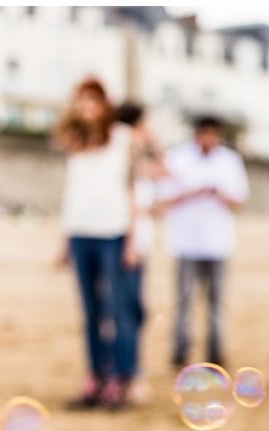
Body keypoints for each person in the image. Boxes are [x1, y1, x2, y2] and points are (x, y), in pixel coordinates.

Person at [54, 77, 138, 410]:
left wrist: (132, 240)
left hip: (113, 233)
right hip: (80, 233)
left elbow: (132, 189)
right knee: (89, 312)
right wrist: (64, 240)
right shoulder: (74, 142)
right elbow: (72, 194)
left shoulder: (122, 138)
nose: (84, 107)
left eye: (91, 101)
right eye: (80, 101)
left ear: (104, 104)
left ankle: (119, 379)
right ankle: (95, 377)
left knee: (116, 310)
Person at [156, 115, 248, 370]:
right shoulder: (177, 158)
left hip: (218, 243)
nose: (209, 138)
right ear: (197, 134)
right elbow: (162, 200)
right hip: (185, 242)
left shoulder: (230, 161)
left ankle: (215, 353)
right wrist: (192, 193)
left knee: (216, 303)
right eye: (204, 133)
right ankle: (180, 353)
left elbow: (240, 201)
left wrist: (220, 194)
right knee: (183, 302)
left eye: (213, 134)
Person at [114, 101, 167, 400]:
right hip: (127, 245)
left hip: (138, 245)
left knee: (131, 311)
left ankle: (128, 374)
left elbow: (166, 171)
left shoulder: (135, 159)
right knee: (128, 312)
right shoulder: (123, 159)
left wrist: (152, 143)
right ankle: (128, 376)